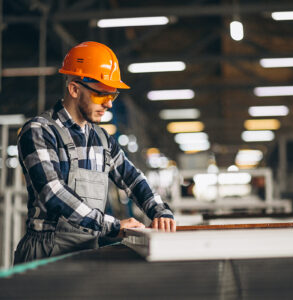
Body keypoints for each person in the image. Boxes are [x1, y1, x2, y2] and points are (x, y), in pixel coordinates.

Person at [14, 41, 176, 264]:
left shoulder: (102, 140)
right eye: (101, 95)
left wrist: (160, 211)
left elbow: (133, 178)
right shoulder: (39, 131)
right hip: (45, 252)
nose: (109, 104)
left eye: (112, 95)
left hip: (87, 250)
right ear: (74, 89)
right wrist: (112, 226)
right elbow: (52, 192)